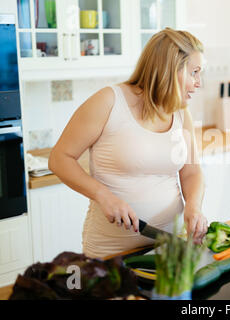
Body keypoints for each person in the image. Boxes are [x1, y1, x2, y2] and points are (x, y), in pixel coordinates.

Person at [48, 28, 208, 259]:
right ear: (170, 69)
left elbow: (191, 170)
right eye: (194, 72)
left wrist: (193, 205)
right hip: (111, 251)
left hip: (169, 246)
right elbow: (59, 158)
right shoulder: (109, 102)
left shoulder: (181, 112)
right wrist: (103, 196)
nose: (198, 83)